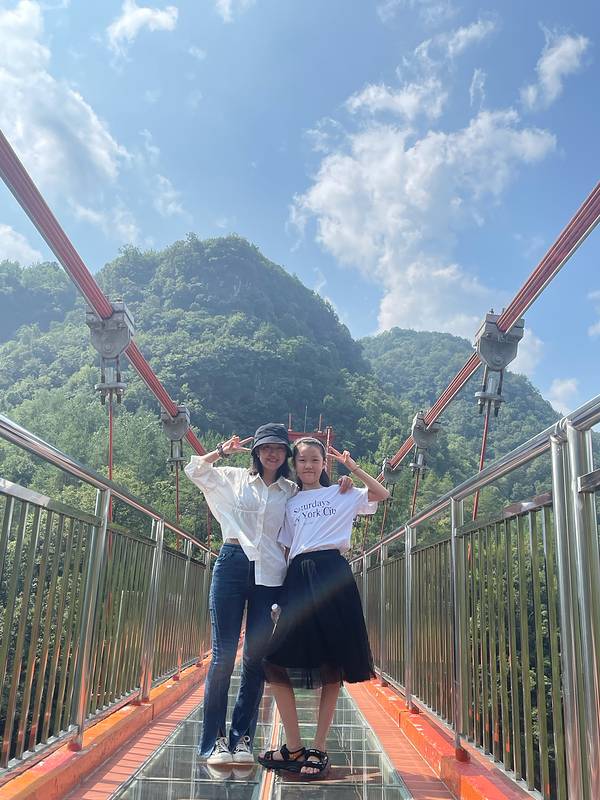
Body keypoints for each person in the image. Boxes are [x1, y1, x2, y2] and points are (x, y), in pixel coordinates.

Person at [184, 424, 353, 766]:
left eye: (278, 448)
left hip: (272, 573)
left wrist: (343, 487)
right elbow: (195, 470)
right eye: (265, 447)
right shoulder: (233, 477)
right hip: (232, 563)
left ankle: (242, 739)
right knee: (223, 656)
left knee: (255, 658)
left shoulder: (291, 491)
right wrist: (221, 451)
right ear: (256, 452)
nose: (272, 453)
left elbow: (319, 502)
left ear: (285, 455)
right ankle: (214, 742)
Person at [259, 437, 390, 778]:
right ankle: (293, 746)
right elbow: (287, 549)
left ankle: (318, 748)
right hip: (299, 577)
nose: (308, 465)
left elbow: (381, 494)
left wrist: (353, 468)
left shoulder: (341, 493)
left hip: (333, 574)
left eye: (315, 459)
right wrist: (280, 596)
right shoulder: (290, 502)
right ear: (295, 464)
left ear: (323, 464)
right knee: (273, 661)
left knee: (333, 664)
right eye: (302, 460)